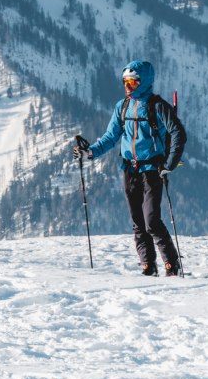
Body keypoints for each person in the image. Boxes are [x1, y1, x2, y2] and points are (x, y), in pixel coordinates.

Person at [74, 60, 186, 276]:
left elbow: (178, 133)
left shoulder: (157, 106)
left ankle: (171, 265)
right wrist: (91, 152)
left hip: (153, 170)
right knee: (138, 222)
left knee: (151, 220)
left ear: (144, 82)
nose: (128, 85)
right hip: (130, 170)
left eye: (133, 81)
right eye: (125, 81)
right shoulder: (122, 106)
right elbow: (111, 136)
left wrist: (170, 164)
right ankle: (148, 266)